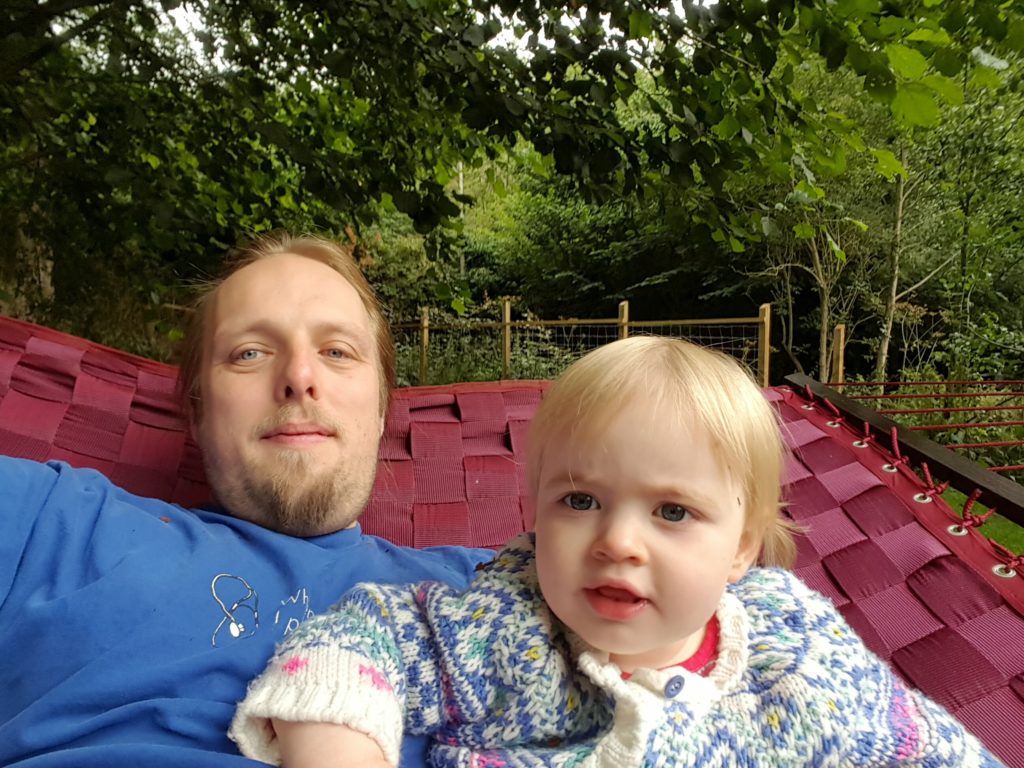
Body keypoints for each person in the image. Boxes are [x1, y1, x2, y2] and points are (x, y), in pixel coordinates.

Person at [230, 335, 1004, 768]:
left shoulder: (795, 653)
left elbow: (920, 745)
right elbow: (358, 638)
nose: (618, 541)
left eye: (672, 511)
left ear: (741, 545)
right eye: (580, 501)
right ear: (536, 512)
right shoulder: (504, 629)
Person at [0, 233, 492, 768]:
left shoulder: (500, 589)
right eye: (249, 353)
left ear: (380, 412)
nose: (299, 377)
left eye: (336, 351)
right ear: (198, 413)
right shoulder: (52, 521)